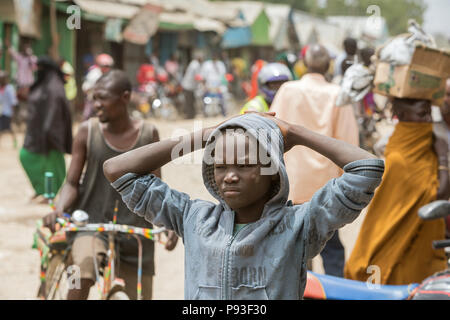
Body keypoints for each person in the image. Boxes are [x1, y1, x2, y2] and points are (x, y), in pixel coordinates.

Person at [103, 111, 384, 300]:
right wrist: (213, 132)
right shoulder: (193, 217)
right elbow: (116, 169)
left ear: (272, 170)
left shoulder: (300, 224)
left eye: (245, 165)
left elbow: (367, 169)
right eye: (221, 166)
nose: (230, 176)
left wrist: (294, 134)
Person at [42, 70, 178, 300]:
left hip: (135, 232)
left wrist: (170, 221)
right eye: (94, 98)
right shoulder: (88, 131)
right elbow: (72, 183)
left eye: (103, 98)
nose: (96, 104)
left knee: (139, 295)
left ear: (125, 97)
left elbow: (156, 187)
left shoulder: (148, 133)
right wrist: (59, 209)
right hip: (91, 226)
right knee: (81, 275)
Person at [269, 44, 360, 277]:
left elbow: (269, 134)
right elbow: (349, 145)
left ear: (303, 63)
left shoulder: (288, 90)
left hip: (290, 186)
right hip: (326, 190)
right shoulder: (337, 94)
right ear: (329, 65)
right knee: (331, 250)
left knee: (295, 249)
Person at [345, 98, 450, 285]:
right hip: (400, 245)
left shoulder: (425, 145)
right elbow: (439, 196)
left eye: (428, 113)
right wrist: (443, 157)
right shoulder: (399, 158)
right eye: (421, 114)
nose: (427, 120)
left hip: (424, 240)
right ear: (401, 115)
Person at [19, 56, 72, 203]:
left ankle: (50, 193)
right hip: (37, 134)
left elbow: (54, 114)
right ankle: (41, 189)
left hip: (50, 135)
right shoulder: (45, 84)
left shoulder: (54, 87)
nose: (38, 71)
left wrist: (49, 134)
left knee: (54, 166)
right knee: (27, 157)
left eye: (40, 68)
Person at [82, 53, 114, 120]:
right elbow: (85, 88)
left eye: (108, 66)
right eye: (104, 66)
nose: (106, 68)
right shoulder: (94, 74)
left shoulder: (109, 74)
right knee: (88, 118)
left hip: (104, 101)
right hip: (92, 100)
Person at [199, 51, 228, 116]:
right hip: (209, 87)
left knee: (222, 99)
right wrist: (204, 87)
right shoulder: (206, 65)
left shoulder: (221, 65)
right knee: (204, 99)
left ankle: (223, 113)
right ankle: (205, 113)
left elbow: (223, 77)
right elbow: (203, 77)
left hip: (218, 88)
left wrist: (223, 86)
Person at [181, 50, 204, 119]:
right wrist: (203, 81)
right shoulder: (195, 64)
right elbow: (197, 77)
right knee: (189, 102)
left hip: (190, 86)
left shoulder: (194, 64)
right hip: (188, 86)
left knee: (191, 102)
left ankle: (191, 115)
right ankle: (189, 116)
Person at [0, 70, 18, 147]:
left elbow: (13, 102)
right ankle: (14, 139)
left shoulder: (9, 88)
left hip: (7, 112)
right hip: (1, 111)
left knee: (6, 127)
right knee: (6, 127)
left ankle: (14, 140)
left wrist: (13, 113)